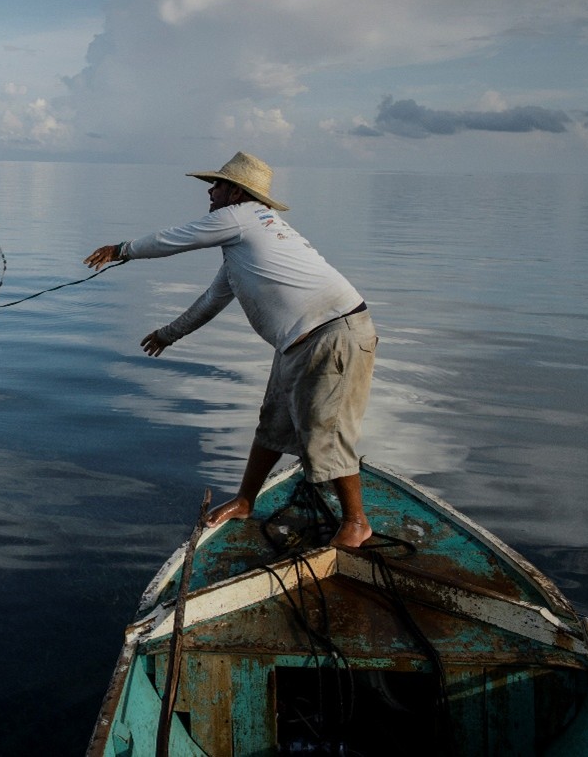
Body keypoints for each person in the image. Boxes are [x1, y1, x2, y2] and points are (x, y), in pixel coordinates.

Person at [85, 151, 378, 548]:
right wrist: (169, 334)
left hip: (333, 334)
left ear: (236, 192)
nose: (210, 190)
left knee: (327, 430)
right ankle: (244, 499)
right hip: (300, 340)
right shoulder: (244, 238)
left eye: (218, 184)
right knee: (273, 423)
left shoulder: (239, 218)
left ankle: (357, 523)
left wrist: (122, 249)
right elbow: (212, 300)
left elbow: (175, 239)